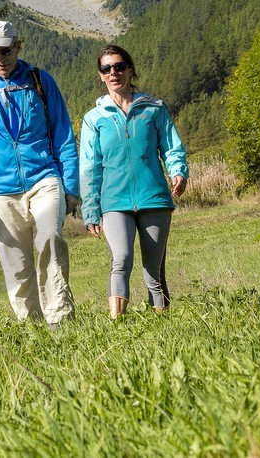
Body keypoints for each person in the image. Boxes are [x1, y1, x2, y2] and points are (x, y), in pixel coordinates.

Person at [0, 20, 80, 326]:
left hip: (44, 177)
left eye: (6, 50)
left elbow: (63, 135)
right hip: (0, 189)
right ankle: (31, 326)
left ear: (18, 46)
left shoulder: (39, 81)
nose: (0, 58)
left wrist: (71, 186)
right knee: (17, 266)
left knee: (51, 237)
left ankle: (59, 319)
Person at [79, 44, 188, 318]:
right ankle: (118, 326)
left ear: (130, 70)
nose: (113, 72)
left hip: (154, 198)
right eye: (106, 68)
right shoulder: (94, 119)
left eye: (118, 66)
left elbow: (172, 147)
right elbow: (90, 167)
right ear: (101, 75)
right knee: (122, 259)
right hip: (114, 202)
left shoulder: (154, 110)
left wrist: (178, 171)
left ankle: (163, 324)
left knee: (154, 269)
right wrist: (90, 210)